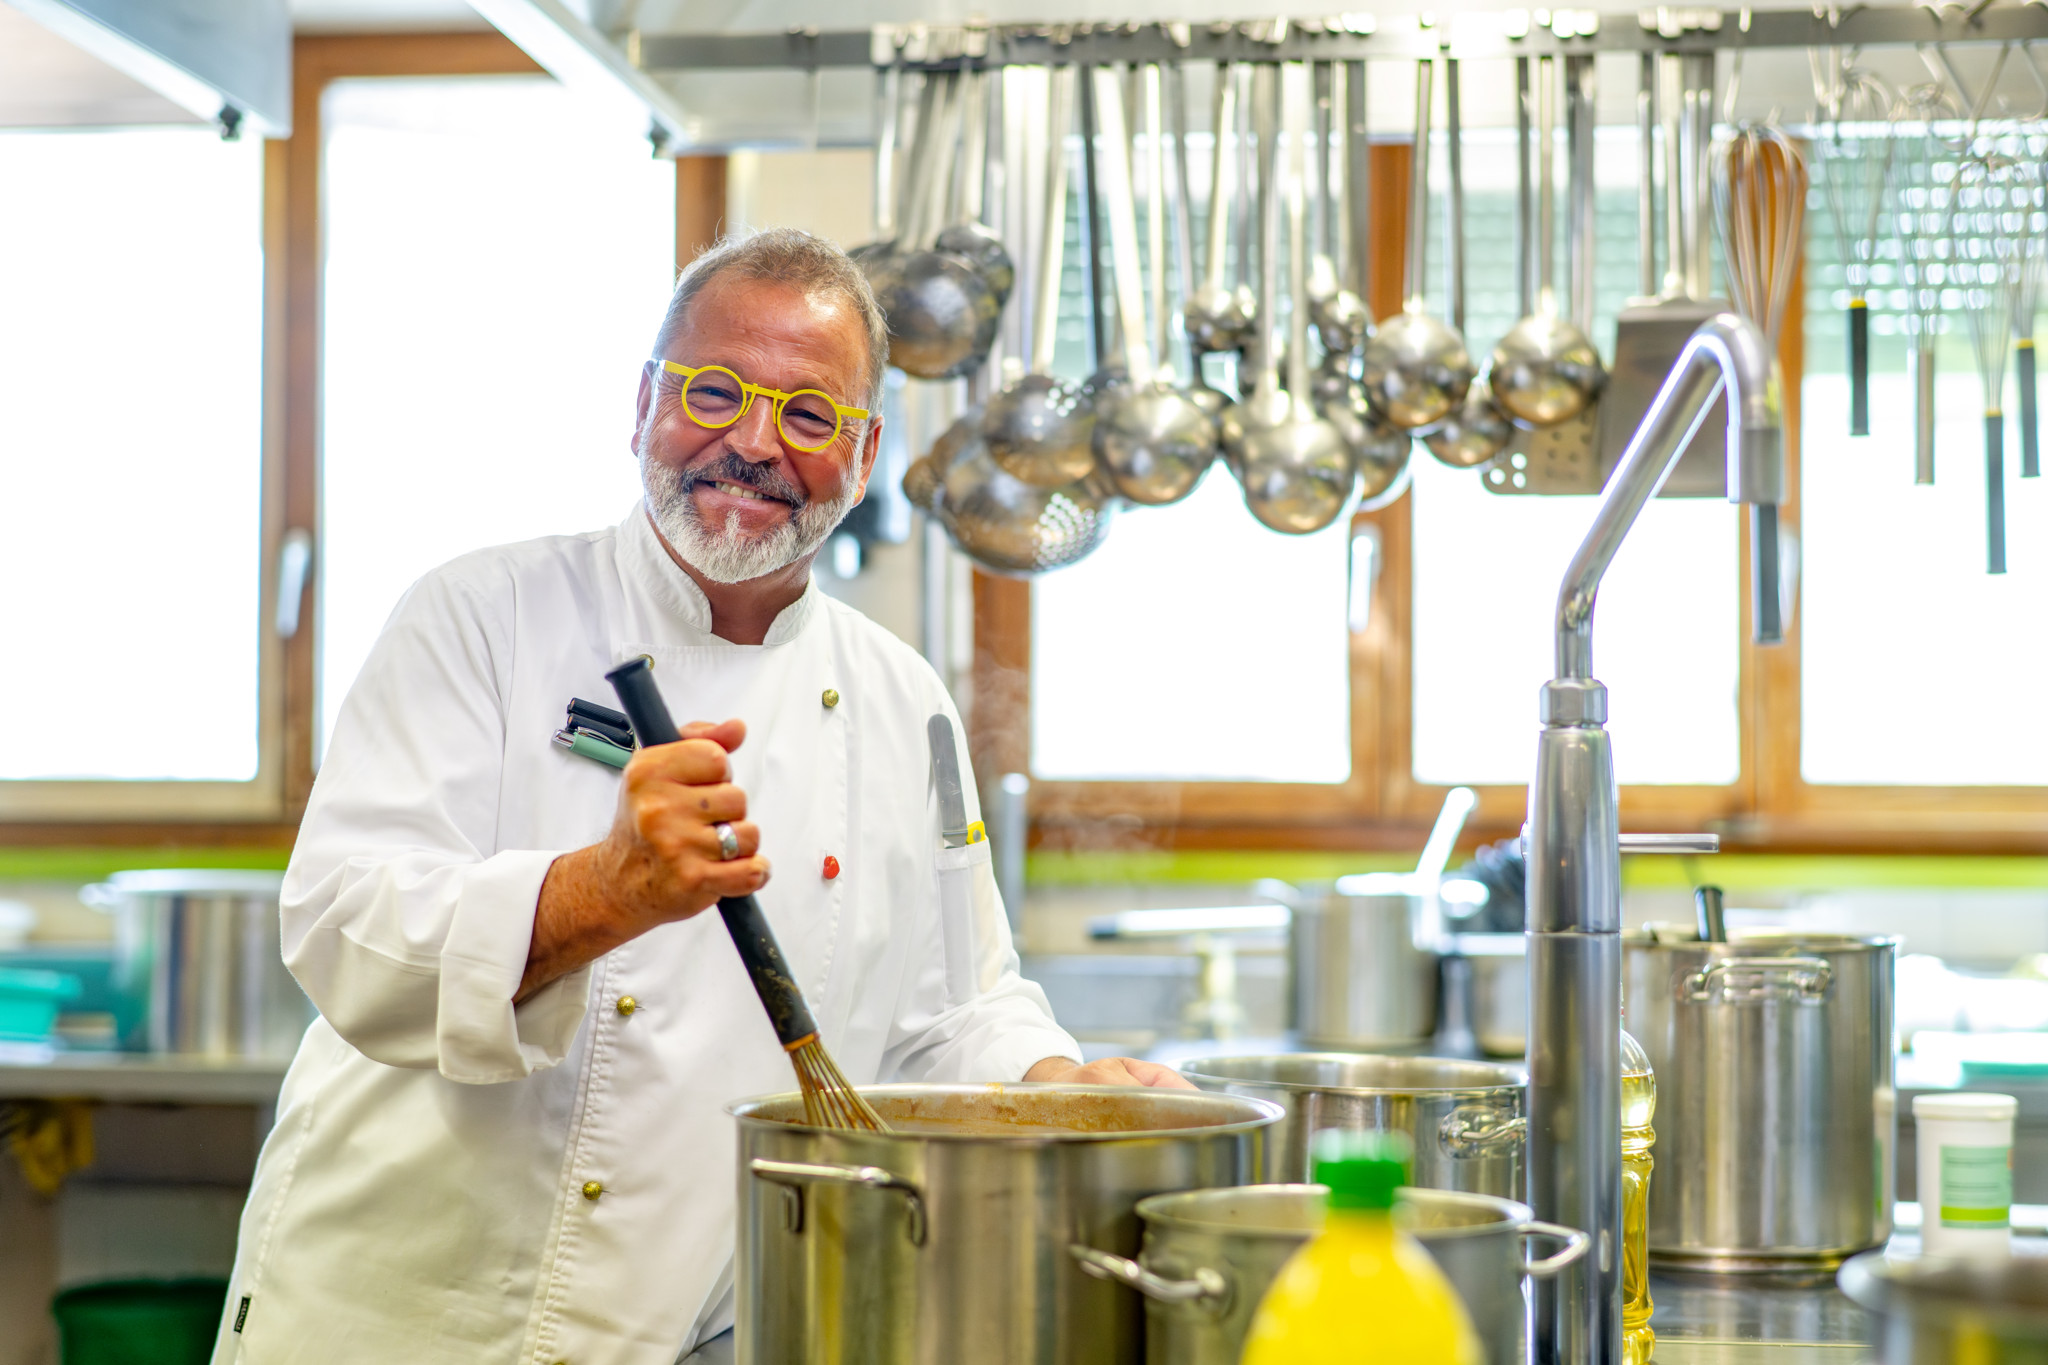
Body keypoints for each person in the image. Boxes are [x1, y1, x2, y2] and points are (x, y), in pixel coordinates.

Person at [211, 227, 1187, 1365]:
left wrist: (1052, 1083)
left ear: (864, 456)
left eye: (811, 417)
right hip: (406, 1318)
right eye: (713, 391)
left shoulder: (903, 697)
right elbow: (344, 933)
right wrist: (605, 889)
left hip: (686, 1332)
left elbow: (951, 1010)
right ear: (640, 405)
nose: (754, 443)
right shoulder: (481, 614)